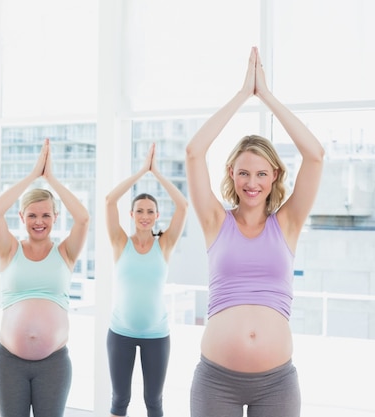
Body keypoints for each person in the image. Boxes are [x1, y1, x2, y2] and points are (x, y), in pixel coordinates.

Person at [185, 46, 324, 417]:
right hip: (216, 380)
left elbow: (315, 155)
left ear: (275, 175)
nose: (252, 182)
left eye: (262, 173)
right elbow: (194, 152)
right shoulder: (216, 221)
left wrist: (267, 96)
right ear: (231, 172)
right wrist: (242, 94)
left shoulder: (288, 223)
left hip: (276, 383)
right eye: (244, 172)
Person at [0, 138, 90, 417]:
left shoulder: (65, 253)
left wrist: (51, 180)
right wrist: (33, 176)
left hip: (53, 364)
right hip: (9, 362)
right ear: (21, 216)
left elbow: (83, 219)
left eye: (46, 214)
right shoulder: (9, 250)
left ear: (56, 217)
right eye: (32, 215)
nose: (39, 221)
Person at [105, 143, 188, 417]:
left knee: (154, 401)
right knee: (120, 399)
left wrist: (157, 173)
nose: (144, 216)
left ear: (156, 216)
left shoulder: (164, 244)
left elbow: (183, 205)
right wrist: (142, 171)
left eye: (150, 211)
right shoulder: (120, 243)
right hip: (120, 334)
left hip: (156, 335)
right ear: (131, 215)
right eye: (139, 211)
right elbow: (109, 201)